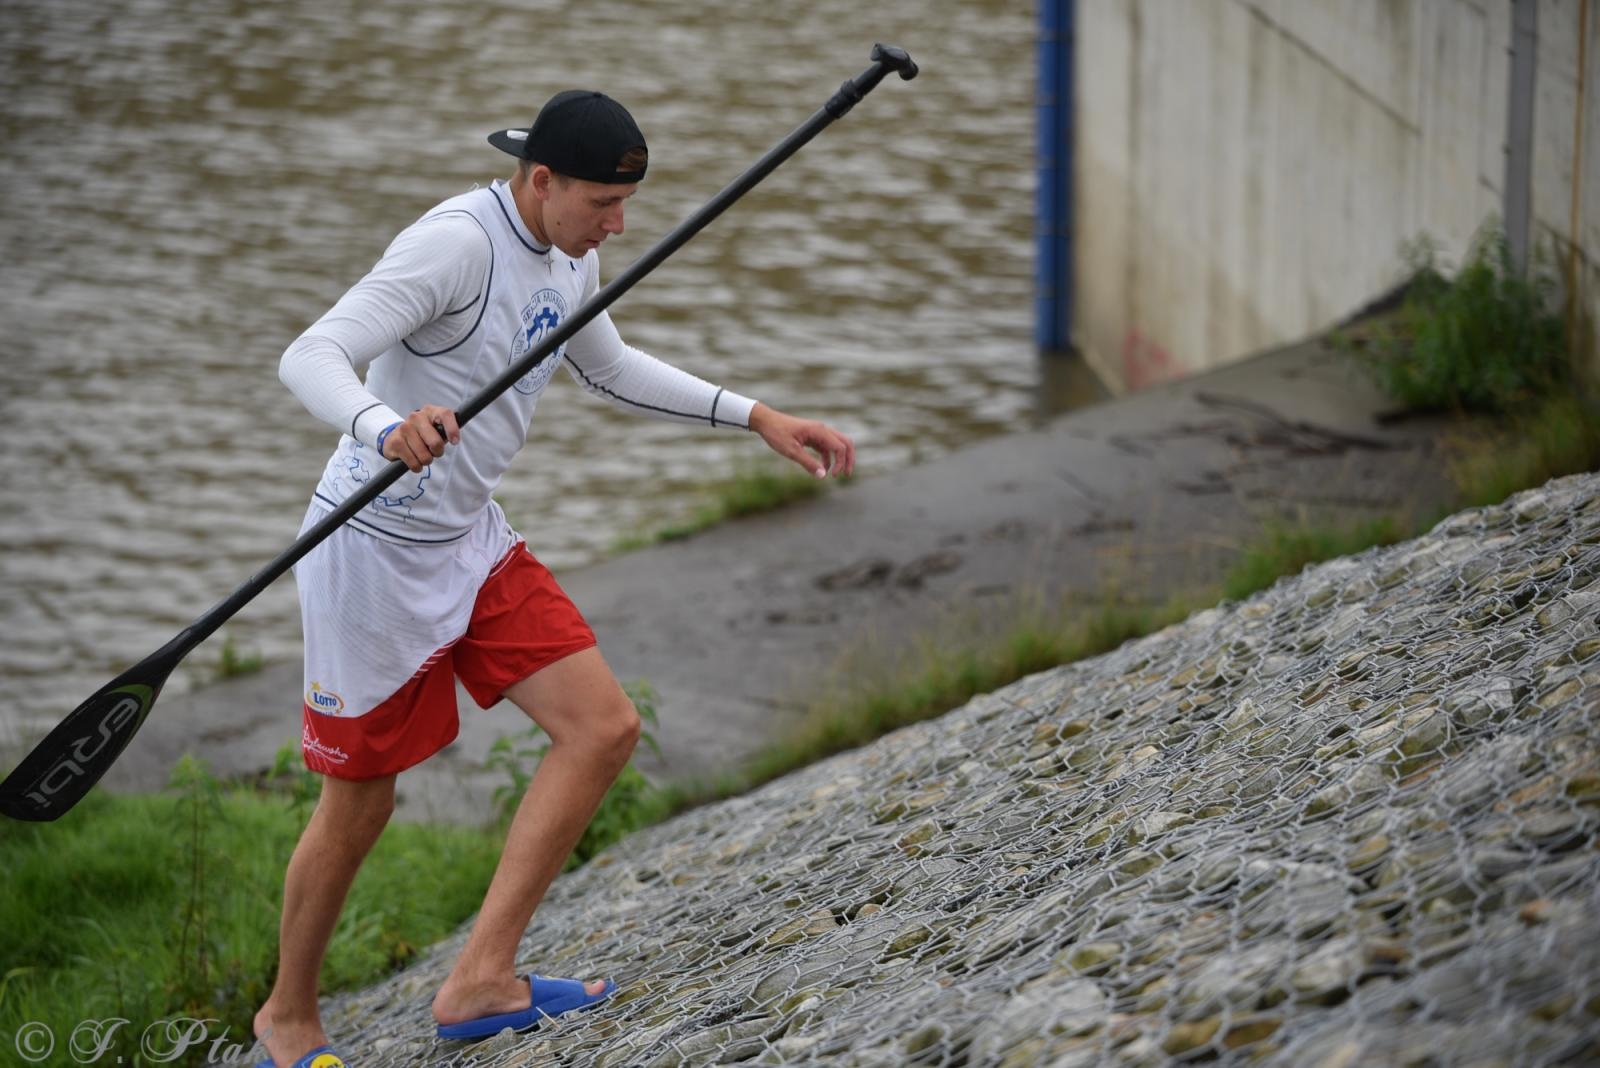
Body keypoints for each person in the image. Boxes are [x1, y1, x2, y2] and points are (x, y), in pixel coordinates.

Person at [252, 90, 855, 1068]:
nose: (615, 226)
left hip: (468, 540)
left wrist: (756, 416)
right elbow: (310, 353)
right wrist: (380, 426)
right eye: (601, 205)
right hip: (369, 544)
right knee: (361, 802)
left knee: (602, 726)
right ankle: (287, 1017)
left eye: (625, 206)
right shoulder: (457, 244)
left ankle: (480, 980)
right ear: (539, 180)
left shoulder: (571, 251)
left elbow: (606, 367)